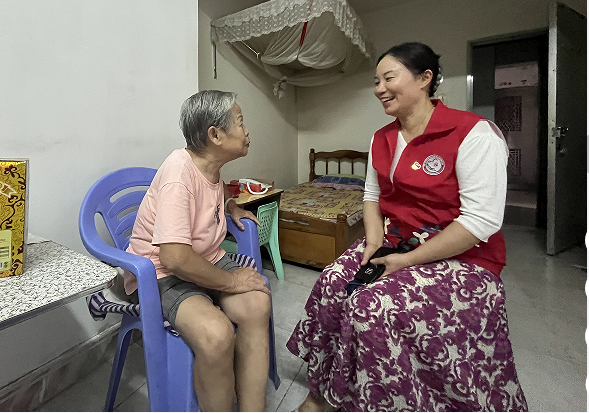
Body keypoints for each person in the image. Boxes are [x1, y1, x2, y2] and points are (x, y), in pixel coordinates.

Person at [287, 42, 528, 412]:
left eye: (389, 78)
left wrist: (407, 260)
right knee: (332, 280)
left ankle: (389, 401)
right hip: (397, 240)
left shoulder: (473, 133)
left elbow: (481, 220)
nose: (379, 88)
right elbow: (371, 196)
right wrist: (372, 242)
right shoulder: (381, 138)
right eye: (376, 81)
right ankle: (325, 391)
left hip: (462, 255)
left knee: (370, 305)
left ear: (425, 78)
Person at [124, 90, 271, 412]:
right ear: (215, 135)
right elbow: (174, 258)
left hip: (206, 259)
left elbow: (208, 197)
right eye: (240, 122)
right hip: (162, 273)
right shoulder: (178, 173)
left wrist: (230, 205)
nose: (247, 131)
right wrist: (232, 282)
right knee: (216, 334)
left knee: (257, 304)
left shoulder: (210, 166)